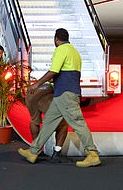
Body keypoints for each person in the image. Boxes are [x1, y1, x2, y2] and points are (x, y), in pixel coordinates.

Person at [18, 28, 101, 168]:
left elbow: (54, 71)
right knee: (49, 123)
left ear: (56, 39)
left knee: (78, 123)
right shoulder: (74, 51)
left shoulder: (61, 50)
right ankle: (33, 152)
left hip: (65, 94)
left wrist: (36, 84)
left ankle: (92, 154)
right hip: (62, 94)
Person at [25, 82, 69, 162]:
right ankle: (57, 152)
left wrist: (36, 85)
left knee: (34, 120)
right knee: (63, 124)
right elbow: (52, 74)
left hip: (32, 92)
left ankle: (35, 150)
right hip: (48, 91)